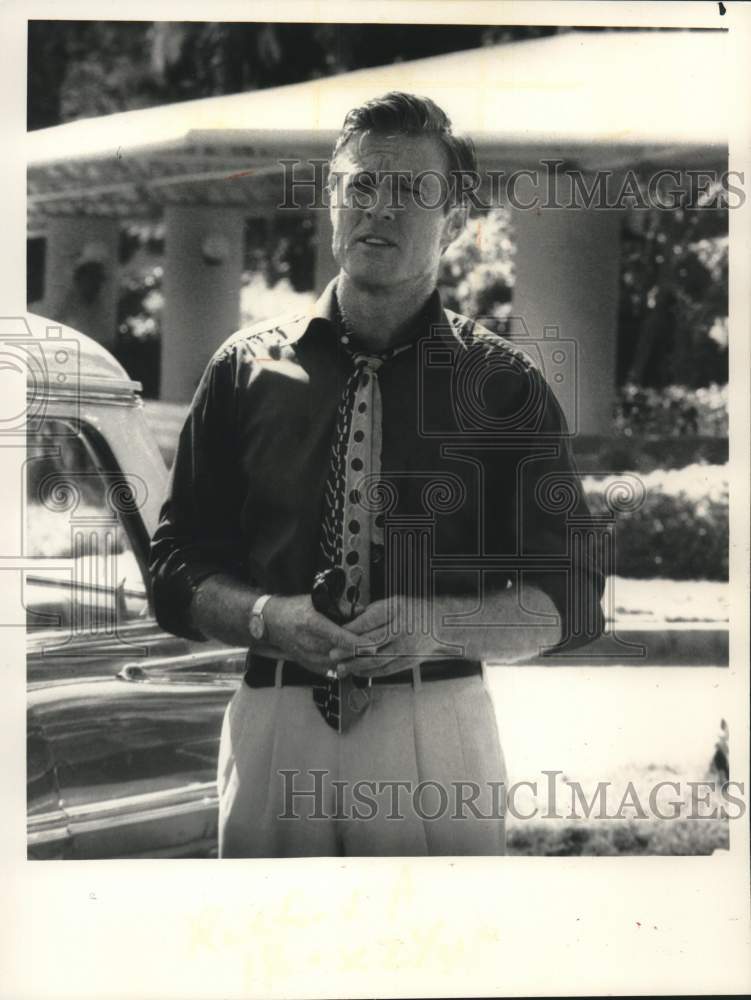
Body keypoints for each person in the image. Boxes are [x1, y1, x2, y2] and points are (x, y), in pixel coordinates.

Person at [149, 91, 604, 858]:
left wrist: (440, 627)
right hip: (275, 727)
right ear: (331, 203)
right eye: (360, 186)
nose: (378, 210)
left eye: (410, 192)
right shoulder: (240, 371)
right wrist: (266, 617)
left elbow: (573, 600)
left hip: (436, 728)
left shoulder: (503, 387)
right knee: (267, 966)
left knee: (438, 968)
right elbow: (171, 571)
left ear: (454, 221)